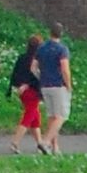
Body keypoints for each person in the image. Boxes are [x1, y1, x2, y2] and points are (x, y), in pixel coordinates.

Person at [35, 26, 73, 156]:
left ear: (50, 33)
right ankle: (45, 142)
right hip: (58, 85)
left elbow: (33, 67)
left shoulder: (41, 48)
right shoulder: (62, 49)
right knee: (61, 116)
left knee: (52, 116)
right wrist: (68, 84)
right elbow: (64, 69)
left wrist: (41, 76)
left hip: (45, 85)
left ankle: (54, 147)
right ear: (61, 34)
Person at [9, 32, 44, 152]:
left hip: (22, 92)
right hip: (32, 92)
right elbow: (36, 77)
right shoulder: (36, 61)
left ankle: (40, 143)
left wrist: (18, 85)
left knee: (35, 117)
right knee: (29, 116)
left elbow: (15, 75)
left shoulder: (22, 58)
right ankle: (15, 142)